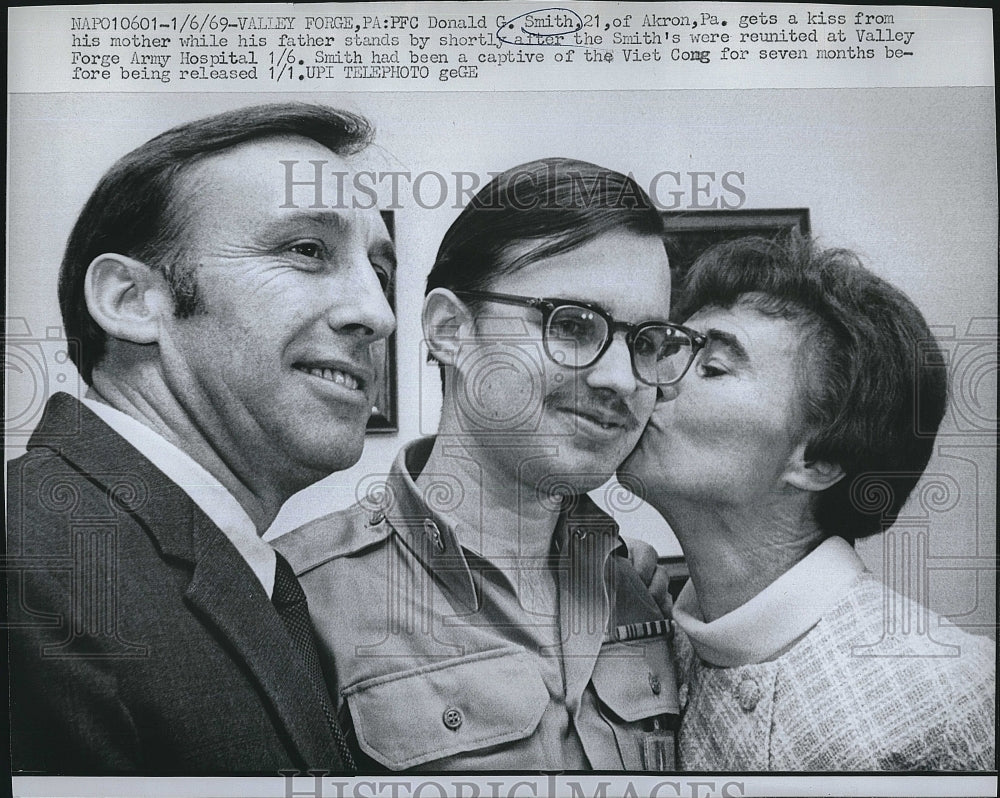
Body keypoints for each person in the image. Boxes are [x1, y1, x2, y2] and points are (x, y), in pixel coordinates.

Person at [7, 103, 396, 773]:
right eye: (307, 250)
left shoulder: (241, 562)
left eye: (380, 272)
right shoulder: (27, 564)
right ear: (132, 301)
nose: (379, 313)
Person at [277, 158, 700, 771]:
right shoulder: (302, 597)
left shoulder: (633, 585)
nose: (621, 379)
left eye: (646, 343)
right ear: (450, 330)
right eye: (574, 325)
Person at [619, 235, 996, 770]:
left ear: (818, 460)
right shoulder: (655, 650)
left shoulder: (951, 692)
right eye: (671, 352)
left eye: (713, 368)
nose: (649, 381)